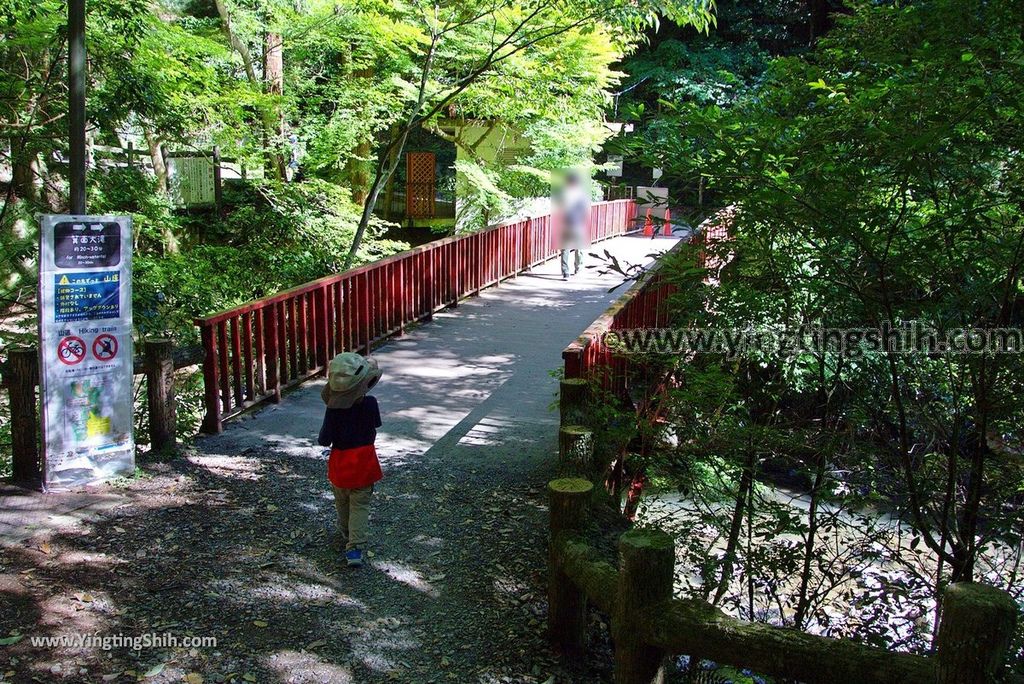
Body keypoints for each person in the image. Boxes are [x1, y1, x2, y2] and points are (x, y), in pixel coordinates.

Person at [318, 352, 383, 567]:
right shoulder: (371, 403)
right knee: (360, 504)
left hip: (340, 462)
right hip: (364, 461)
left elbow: (324, 440)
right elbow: (375, 426)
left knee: (342, 500)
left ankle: (346, 532)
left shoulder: (333, 411)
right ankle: (355, 547)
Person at [556, 170, 592, 280]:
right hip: (578, 224)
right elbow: (586, 211)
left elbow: (559, 209)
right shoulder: (582, 195)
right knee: (579, 247)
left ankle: (565, 272)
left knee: (565, 249)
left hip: (566, 224)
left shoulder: (563, 194)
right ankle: (578, 268)